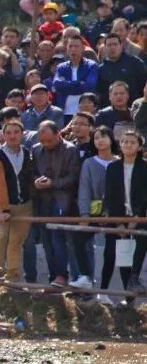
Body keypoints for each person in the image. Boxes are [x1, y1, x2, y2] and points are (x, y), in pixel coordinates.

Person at [31, 118, 82, 286]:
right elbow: (31, 172)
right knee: (46, 241)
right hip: (42, 200)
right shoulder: (36, 149)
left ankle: (62, 275)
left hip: (61, 199)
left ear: (58, 134)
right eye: (42, 140)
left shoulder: (70, 150)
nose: (46, 144)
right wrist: (36, 181)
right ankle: (53, 276)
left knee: (57, 238)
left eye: (49, 140)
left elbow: (72, 177)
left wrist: (53, 183)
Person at [0, 119, 37, 283]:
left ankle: (12, 275)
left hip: (24, 204)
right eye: (8, 132)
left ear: (22, 134)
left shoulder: (27, 152)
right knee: (1, 235)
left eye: (16, 132)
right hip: (3, 204)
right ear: (3, 135)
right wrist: (5, 209)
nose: (12, 136)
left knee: (16, 241)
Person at [101, 129, 147, 301]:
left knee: (133, 254)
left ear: (139, 146)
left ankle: (130, 297)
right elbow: (110, 195)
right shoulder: (113, 167)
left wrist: (136, 217)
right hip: (117, 217)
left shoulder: (144, 167)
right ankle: (105, 293)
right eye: (124, 141)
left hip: (139, 218)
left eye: (132, 142)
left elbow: (144, 196)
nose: (128, 144)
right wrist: (119, 222)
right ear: (119, 145)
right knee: (113, 255)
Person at [79, 125, 116, 299]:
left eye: (103, 136)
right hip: (94, 211)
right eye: (96, 138)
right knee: (80, 241)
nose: (100, 140)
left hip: (116, 213)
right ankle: (85, 277)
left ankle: (104, 290)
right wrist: (84, 214)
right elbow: (84, 190)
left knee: (111, 251)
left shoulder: (119, 162)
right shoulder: (89, 163)